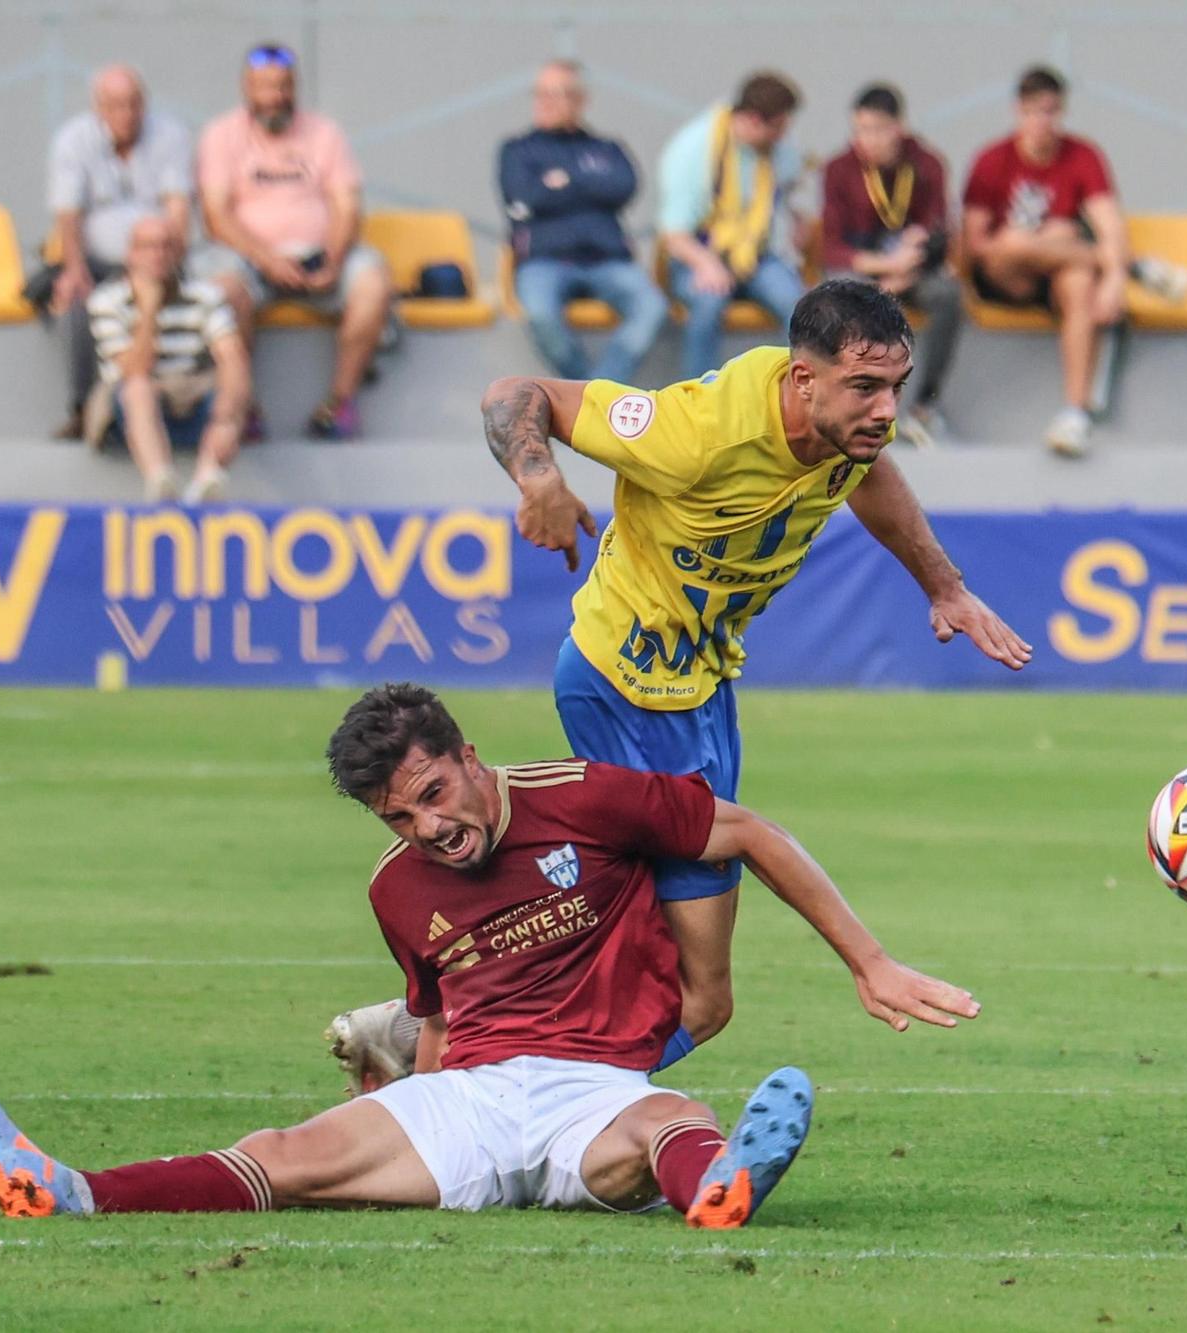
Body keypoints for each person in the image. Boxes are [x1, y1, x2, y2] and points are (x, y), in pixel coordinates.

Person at [329, 281, 1028, 1095]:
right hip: (621, 683)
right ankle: (521, 1094)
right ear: (803, 380)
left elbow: (869, 479)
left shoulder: (844, 437)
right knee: (697, 996)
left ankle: (438, 1036)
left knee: (681, 981)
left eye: (895, 389)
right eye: (865, 388)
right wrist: (539, 478)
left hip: (698, 690)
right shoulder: (693, 434)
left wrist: (943, 586)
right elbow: (513, 394)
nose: (885, 411)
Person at [0, 684, 980, 1225]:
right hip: (470, 1097)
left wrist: (868, 961)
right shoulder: (394, 891)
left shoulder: (584, 795)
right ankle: (68, 1187)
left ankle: (719, 1186)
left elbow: (746, 831)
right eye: (399, 817)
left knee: (671, 1121)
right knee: (286, 1151)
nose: (427, 828)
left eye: (433, 793)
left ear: (469, 759)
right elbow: (440, 1021)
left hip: (595, 1086)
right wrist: (395, 1093)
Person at [962, 65, 1187, 458]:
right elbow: (976, 244)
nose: (1041, 122)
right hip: (1004, 275)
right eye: (1033, 111)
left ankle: (1075, 413)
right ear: (1018, 111)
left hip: (1057, 274)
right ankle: (1138, 266)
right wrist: (1046, 237)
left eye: (1050, 111)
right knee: (1015, 243)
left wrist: (1113, 280)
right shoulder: (992, 160)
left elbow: (1108, 221)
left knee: (1082, 282)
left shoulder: (1082, 155)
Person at [196, 42, 392, 440]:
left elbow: (346, 206)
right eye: (266, 87)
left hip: (318, 258)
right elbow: (216, 217)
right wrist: (267, 258)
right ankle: (243, 406)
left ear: (295, 88)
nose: (275, 97)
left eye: (284, 87)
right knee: (223, 291)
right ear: (246, 88)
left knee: (373, 281)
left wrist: (334, 261)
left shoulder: (325, 133)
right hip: (247, 259)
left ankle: (340, 404)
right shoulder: (220, 135)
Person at [44, 65, 196, 442]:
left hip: (159, 255)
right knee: (77, 307)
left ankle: (191, 408)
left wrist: (166, 261)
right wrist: (75, 269)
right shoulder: (73, 140)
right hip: (97, 263)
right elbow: (68, 213)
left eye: (133, 105)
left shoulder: (170, 136)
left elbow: (178, 209)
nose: (126, 115)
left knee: (207, 298)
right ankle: (82, 409)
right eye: (115, 106)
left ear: (144, 104)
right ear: (98, 108)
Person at [499, 60, 667, 384]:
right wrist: (590, 184)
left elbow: (624, 186)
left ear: (579, 100)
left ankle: (594, 394)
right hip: (543, 262)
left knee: (652, 306)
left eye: (556, 93)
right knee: (540, 314)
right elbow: (522, 198)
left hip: (608, 261)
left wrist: (564, 182)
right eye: (539, 93)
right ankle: (594, 394)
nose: (544, 102)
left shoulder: (606, 148)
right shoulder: (517, 150)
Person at [821, 84, 961, 447]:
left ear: (898, 128)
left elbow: (937, 233)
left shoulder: (926, 164)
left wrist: (907, 266)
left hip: (912, 271)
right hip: (863, 269)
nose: (865, 140)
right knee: (841, 299)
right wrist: (883, 269)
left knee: (947, 295)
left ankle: (925, 406)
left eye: (875, 129)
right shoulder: (840, 169)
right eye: (859, 130)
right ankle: (849, 405)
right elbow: (831, 247)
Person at [84, 215, 249, 503]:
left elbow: (231, 353)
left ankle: (206, 481)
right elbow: (135, 369)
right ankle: (160, 480)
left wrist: (229, 411)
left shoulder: (205, 295)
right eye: (148, 247)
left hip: (190, 389)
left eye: (166, 246)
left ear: (178, 253)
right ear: (131, 254)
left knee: (234, 384)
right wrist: (149, 309)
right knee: (138, 389)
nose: (158, 255)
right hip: (130, 402)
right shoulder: (107, 301)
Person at [657, 71, 807, 380]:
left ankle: (796, 398)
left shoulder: (776, 150)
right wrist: (706, 263)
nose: (783, 137)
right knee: (708, 303)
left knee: (802, 309)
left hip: (757, 255)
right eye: (778, 128)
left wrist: (797, 224)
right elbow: (673, 234)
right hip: (698, 253)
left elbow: (793, 190)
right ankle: (700, 402)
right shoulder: (693, 150)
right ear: (753, 120)